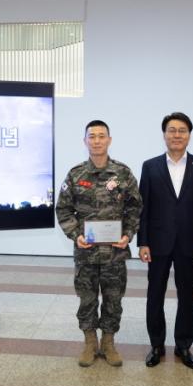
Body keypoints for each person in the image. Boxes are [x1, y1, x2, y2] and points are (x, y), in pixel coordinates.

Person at [56, 120, 142, 367]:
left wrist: (128, 234)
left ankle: (109, 343)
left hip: (115, 253)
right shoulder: (75, 174)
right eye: (91, 136)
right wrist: (76, 235)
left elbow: (135, 207)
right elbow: (63, 209)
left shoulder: (123, 173)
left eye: (101, 136)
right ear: (85, 141)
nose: (96, 141)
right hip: (86, 253)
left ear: (109, 140)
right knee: (87, 299)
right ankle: (90, 342)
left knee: (114, 299)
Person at [137, 112, 193, 369]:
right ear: (164, 134)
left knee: (186, 295)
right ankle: (156, 345)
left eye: (182, 130)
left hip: (189, 242)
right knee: (155, 294)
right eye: (172, 130)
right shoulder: (150, 166)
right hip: (158, 242)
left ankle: (183, 345)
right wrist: (143, 242)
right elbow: (144, 207)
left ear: (189, 135)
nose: (177, 135)